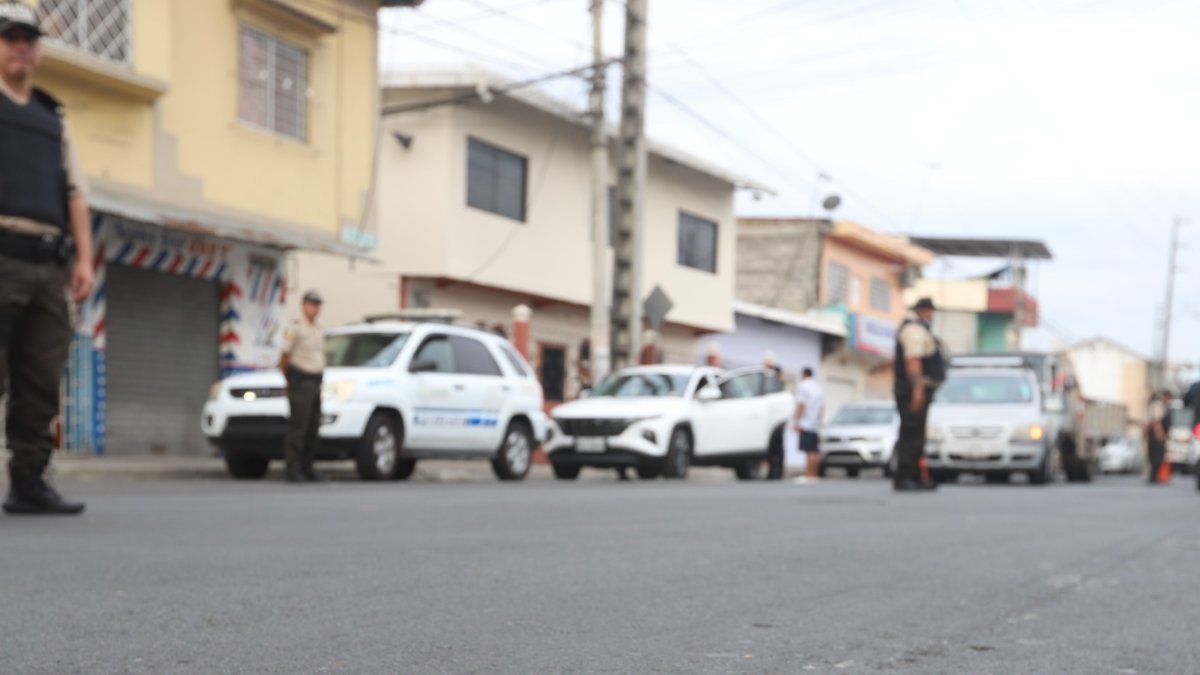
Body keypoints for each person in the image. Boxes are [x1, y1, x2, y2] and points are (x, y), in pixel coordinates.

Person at [0, 4, 94, 515]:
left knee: (40, 377)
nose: (21, 47)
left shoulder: (51, 117)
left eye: (28, 39)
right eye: (11, 38)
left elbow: (75, 191)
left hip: (48, 261)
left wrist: (85, 259)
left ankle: (29, 482)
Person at [892, 298, 946, 492]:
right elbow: (913, 361)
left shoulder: (921, 330)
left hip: (917, 388)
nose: (931, 315)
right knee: (911, 434)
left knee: (917, 435)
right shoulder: (914, 330)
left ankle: (916, 476)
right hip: (912, 388)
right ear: (922, 311)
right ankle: (905, 476)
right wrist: (917, 389)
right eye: (929, 311)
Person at [280, 291, 327, 483]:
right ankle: (293, 469)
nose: (314, 308)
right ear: (303, 305)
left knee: (312, 428)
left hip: (316, 381)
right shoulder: (296, 327)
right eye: (311, 304)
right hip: (301, 381)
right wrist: (288, 380)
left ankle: (308, 468)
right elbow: (284, 356)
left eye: (317, 305)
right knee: (298, 428)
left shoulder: (318, 329)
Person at [793, 367, 824, 484]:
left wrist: (796, 421)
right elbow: (822, 407)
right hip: (815, 423)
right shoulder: (818, 388)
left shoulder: (803, 386)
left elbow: (801, 405)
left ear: (804, 374)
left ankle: (808, 475)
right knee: (814, 450)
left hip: (806, 422)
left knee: (808, 450)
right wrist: (818, 420)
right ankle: (814, 474)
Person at [1145, 390, 1170, 485]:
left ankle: (1153, 476)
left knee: (1154, 455)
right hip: (1155, 434)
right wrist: (1159, 434)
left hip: (1152, 434)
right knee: (1158, 455)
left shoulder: (1152, 406)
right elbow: (1157, 421)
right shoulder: (1158, 405)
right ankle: (1153, 476)